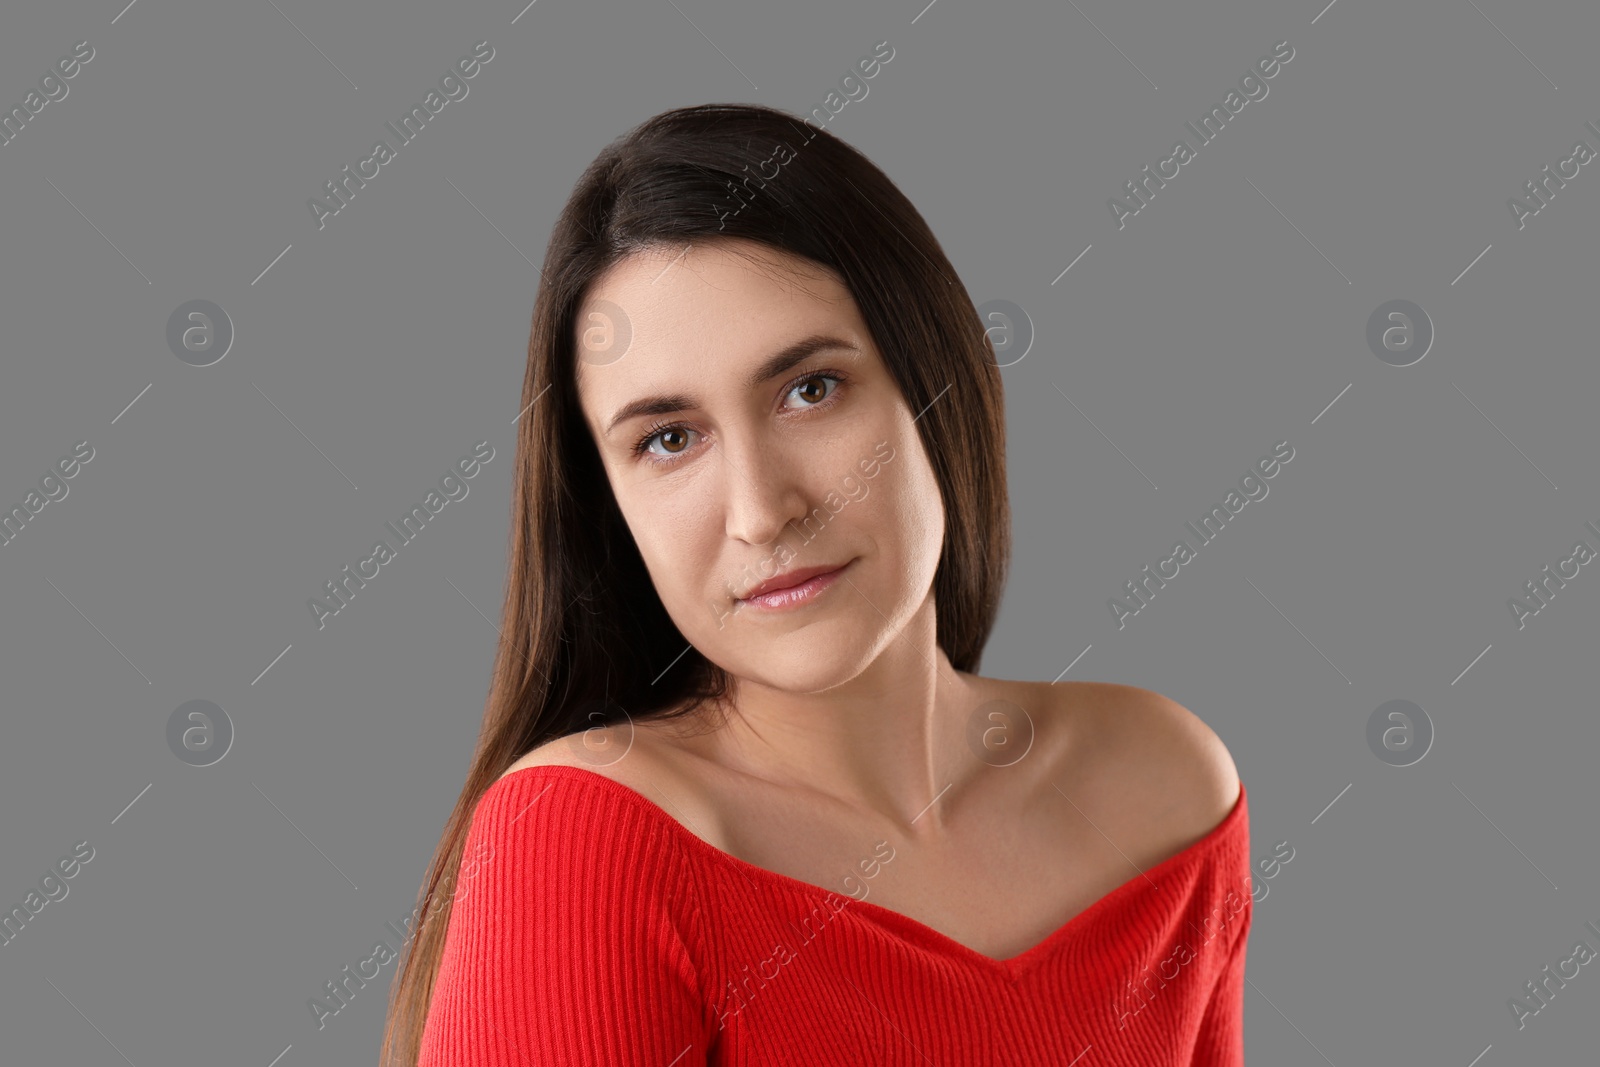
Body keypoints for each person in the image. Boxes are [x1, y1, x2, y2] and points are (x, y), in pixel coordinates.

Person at [381, 102, 1252, 1066]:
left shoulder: (1166, 786)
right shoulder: (582, 844)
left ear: (936, 382)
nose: (762, 510)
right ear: (611, 507)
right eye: (669, 439)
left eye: (811, 389)